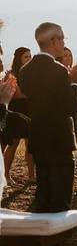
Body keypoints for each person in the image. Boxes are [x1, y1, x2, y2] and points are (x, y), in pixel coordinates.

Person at [17, 22, 77, 246]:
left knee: (43, 200)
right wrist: (74, 84)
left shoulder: (26, 70)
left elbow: (41, 103)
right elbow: (67, 108)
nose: (64, 43)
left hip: (39, 143)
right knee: (60, 205)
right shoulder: (58, 71)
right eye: (62, 39)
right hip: (58, 142)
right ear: (53, 41)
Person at [2, 47, 34, 184]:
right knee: (13, 143)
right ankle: (6, 175)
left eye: (30, 56)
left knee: (31, 145)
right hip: (17, 109)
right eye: (26, 56)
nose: (29, 59)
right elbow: (18, 94)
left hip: (30, 109)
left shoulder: (32, 73)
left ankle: (32, 176)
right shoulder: (12, 74)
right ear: (19, 58)